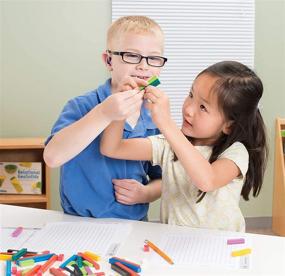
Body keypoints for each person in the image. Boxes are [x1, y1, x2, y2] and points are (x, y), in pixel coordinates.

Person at [100, 60, 268, 232]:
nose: (188, 109)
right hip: (175, 244)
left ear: (229, 125)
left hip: (221, 247)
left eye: (203, 107)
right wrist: (121, 107)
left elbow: (207, 181)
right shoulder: (168, 145)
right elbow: (112, 148)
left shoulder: (236, 152)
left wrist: (166, 123)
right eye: (191, 95)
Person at [43, 15, 168, 220]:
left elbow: (163, 178)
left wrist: (146, 193)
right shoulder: (82, 105)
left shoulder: (155, 116)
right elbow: (52, 157)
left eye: (153, 58)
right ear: (109, 60)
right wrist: (104, 113)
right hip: (78, 222)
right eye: (131, 55)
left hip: (135, 223)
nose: (144, 66)